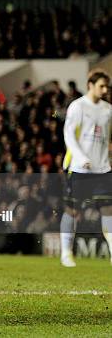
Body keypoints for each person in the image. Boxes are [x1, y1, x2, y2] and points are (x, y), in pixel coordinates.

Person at [61, 70, 112, 267]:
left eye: (107, 86)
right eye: (101, 86)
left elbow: (107, 139)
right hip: (79, 168)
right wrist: (81, 157)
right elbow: (69, 135)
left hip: (102, 169)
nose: (105, 90)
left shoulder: (108, 109)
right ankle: (66, 253)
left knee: (108, 210)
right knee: (72, 211)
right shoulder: (78, 106)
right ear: (90, 85)